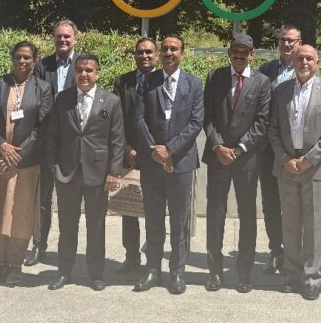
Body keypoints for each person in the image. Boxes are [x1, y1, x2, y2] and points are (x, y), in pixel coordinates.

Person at [0, 41, 52, 284]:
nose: (22, 61)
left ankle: (15, 264)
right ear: (12, 58)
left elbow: (43, 127)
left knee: (19, 213)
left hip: (24, 163)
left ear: (34, 61)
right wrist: (1, 146)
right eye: (18, 56)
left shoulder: (43, 88)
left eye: (27, 57)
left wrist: (18, 155)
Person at [269, 44, 321, 301]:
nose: (304, 62)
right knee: (290, 223)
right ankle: (292, 274)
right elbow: (273, 128)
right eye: (300, 58)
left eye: (309, 58)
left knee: (315, 225)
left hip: (317, 168)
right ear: (293, 61)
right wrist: (285, 159)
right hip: (288, 166)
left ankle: (312, 278)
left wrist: (309, 160)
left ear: (317, 62)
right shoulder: (281, 90)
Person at [133, 34, 204, 295]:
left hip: (181, 163)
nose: (169, 53)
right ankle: (153, 269)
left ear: (182, 53)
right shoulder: (147, 82)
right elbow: (139, 119)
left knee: (179, 220)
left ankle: (177, 272)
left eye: (174, 49)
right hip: (152, 162)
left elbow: (196, 122)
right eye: (165, 49)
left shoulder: (193, 84)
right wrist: (156, 151)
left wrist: (170, 150)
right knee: (153, 219)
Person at [47, 54, 125, 291]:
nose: (84, 74)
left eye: (89, 70)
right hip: (67, 172)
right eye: (79, 70)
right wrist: (54, 166)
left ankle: (96, 274)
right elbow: (53, 134)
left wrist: (113, 172)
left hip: (98, 173)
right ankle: (64, 271)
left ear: (97, 74)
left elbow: (117, 140)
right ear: (74, 73)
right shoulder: (62, 99)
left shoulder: (111, 101)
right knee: (67, 225)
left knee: (96, 226)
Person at [202, 34, 271, 294]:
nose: (239, 56)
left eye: (244, 52)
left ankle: (244, 273)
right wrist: (218, 146)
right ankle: (214, 272)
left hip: (247, 159)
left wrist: (240, 149)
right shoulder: (214, 77)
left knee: (247, 216)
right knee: (215, 213)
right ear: (228, 53)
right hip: (218, 157)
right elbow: (207, 116)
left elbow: (262, 122)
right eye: (235, 51)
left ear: (252, 55)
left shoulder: (262, 82)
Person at [27, 19, 79, 266]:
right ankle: (39, 245)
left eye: (67, 36)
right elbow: (36, 96)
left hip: (72, 143)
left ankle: (67, 251)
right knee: (42, 199)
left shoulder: (83, 64)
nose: (63, 40)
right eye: (59, 36)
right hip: (46, 141)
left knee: (70, 202)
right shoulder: (42, 66)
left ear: (75, 39)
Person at [256, 23, 302, 275]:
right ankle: (276, 250)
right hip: (268, 148)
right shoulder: (266, 70)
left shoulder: (306, 66)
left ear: (299, 43)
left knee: (296, 202)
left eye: (291, 40)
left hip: (297, 148)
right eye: (283, 39)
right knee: (271, 201)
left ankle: (296, 253)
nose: (286, 44)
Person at [111, 37, 158, 273]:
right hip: (129, 155)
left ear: (156, 55)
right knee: (129, 210)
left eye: (149, 52)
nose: (144, 56)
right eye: (140, 52)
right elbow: (116, 119)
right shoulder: (123, 82)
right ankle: (131, 256)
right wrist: (126, 147)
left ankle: (153, 256)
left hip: (156, 156)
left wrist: (156, 150)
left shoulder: (164, 80)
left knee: (154, 209)